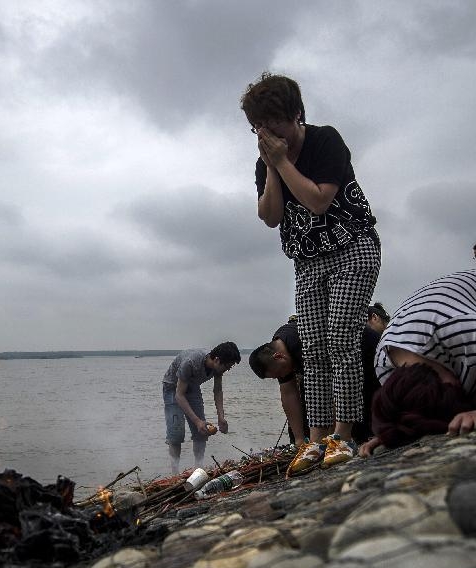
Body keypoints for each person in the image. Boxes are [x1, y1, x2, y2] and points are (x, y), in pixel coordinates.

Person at [240, 72, 381, 474]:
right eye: (258, 129)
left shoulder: (325, 141)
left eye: (275, 125)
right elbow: (269, 217)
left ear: (296, 115)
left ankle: (344, 434)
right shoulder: (266, 162)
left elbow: (319, 201)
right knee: (314, 349)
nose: (268, 134)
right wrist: (271, 167)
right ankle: (316, 439)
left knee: (341, 338)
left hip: (353, 248)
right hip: (307, 261)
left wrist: (283, 161)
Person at [362, 266, 476, 456]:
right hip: (461, 314)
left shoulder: (458, 328)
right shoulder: (384, 365)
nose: (457, 388)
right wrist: (395, 430)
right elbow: (412, 411)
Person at [249, 316, 380, 467]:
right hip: (336, 365)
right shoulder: (277, 348)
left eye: (279, 374)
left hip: (365, 351)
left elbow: (332, 388)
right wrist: (299, 440)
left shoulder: (303, 344)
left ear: (278, 357)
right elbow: (288, 392)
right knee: (311, 418)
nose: (281, 377)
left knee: (365, 416)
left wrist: (331, 435)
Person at [162, 342, 241, 474]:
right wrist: (197, 421)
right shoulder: (190, 363)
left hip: (192, 387)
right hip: (172, 388)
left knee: (201, 431)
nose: (227, 370)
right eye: (227, 367)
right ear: (217, 360)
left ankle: (198, 468)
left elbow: (218, 391)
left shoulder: (217, 367)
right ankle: (174, 473)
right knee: (176, 434)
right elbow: (179, 395)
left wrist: (221, 417)